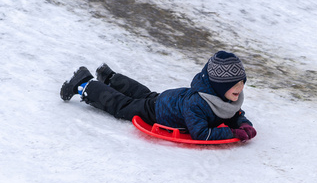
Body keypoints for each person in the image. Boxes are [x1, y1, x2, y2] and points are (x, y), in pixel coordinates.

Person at [60, 51, 257, 141]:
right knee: (124, 106)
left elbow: (234, 114)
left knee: (145, 95)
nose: (240, 88)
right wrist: (231, 133)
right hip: (160, 112)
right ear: (217, 86)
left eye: (242, 82)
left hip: (170, 99)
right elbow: (201, 133)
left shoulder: (224, 99)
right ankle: (84, 84)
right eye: (234, 84)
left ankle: (110, 77)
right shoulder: (198, 104)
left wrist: (243, 124)